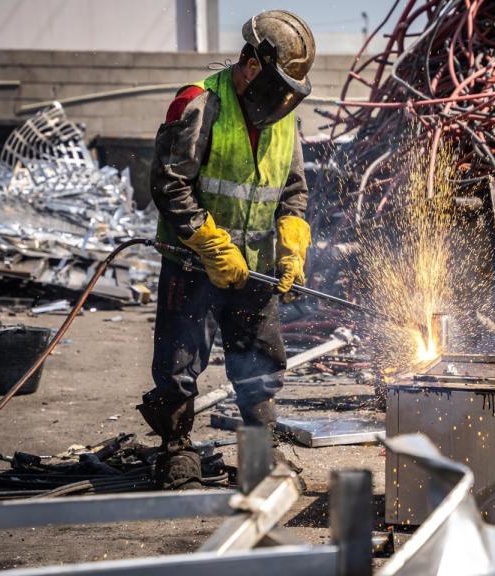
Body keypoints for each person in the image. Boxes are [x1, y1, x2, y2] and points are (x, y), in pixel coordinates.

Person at [140, 10, 315, 489]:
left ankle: (259, 455)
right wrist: (210, 243)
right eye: (278, 84)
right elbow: (170, 184)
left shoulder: (283, 116)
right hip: (194, 261)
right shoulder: (200, 103)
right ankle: (175, 450)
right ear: (252, 64)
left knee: (259, 364)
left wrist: (292, 242)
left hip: (253, 268)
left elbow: (293, 192)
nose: (283, 99)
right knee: (178, 365)